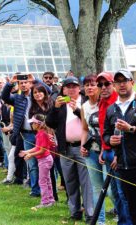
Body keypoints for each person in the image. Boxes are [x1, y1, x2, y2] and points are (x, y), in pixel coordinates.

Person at [46, 77, 93, 223]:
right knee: (70, 182)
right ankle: (75, 211)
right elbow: (49, 123)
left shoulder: (86, 101)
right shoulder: (60, 103)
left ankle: (90, 213)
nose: (71, 89)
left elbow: (91, 121)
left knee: (87, 182)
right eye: (68, 87)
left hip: (82, 147)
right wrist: (55, 108)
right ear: (64, 89)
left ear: (79, 88)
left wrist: (77, 110)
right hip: (65, 148)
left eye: (74, 86)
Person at [1, 73, 51, 197]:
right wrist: (10, 83)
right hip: (26, 134)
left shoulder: (37, 96)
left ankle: (48, 189)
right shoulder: (18, 98)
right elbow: (4, 97)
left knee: (46, 161)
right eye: (21, 83)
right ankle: (35, 190)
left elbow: (48, 91)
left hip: (41, 133)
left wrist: (36, 79)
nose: (23, 85)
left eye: (25, 82)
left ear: (30, 84)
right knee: (32, 163)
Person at [97, 71, 132, 224]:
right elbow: (105, 134)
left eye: (124, 80)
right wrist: (110, 141)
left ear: (132, 82)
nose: (121, 84)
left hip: (133, 161)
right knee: (124, 199)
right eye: (118, 82)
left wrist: (131, 129)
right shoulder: (111, 108)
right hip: (120, 163)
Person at [80, 74, 106, 224]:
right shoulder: (84, 106)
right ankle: (100, 221)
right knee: (97, 188)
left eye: (92, 84)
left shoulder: (105, 104)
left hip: (107, 151)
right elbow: (84, 129)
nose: (89, 87)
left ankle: (121, 215)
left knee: (110, 189)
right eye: (86, 85)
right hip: (91, 151)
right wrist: (83, 146)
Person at [19, 114, 55, 208]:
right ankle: (50, 200)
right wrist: (26, 151)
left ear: (38, 124)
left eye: (33, 123)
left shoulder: (42, 134)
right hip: (46, 160)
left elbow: (42, 150)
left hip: (44, 160)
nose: (31, 125)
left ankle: (45, 202)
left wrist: (30, 155)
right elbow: (37, 147)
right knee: (47, 180)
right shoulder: (40, 133)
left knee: (42, 181)